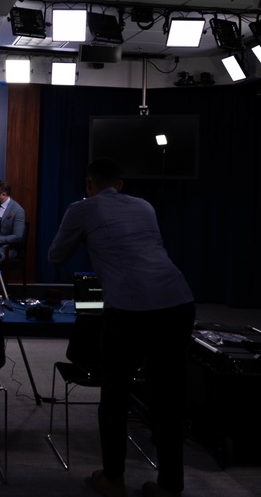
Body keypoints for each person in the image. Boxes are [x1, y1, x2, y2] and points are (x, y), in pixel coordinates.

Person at [49, 158, 195, 497]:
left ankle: (113, 478)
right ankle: (171, 485)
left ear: (89, 184)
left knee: (115, 395)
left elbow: (56, 256)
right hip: (178, 302)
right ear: (121, 184)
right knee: (167, 397)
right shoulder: (144, 206)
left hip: (130, 309)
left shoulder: (82, 209)